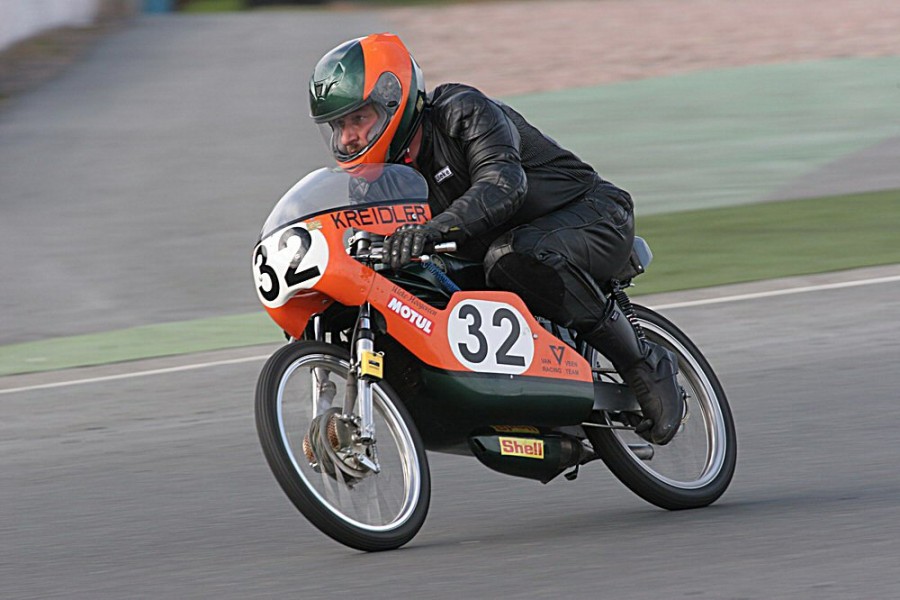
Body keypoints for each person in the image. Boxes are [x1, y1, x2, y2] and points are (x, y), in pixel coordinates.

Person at [308, 33, 683, 445]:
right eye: (339, 126)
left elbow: (503, 183)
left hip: (593, 214)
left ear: (394, 99)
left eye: (358, 119)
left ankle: (644, 364)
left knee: (513, 255)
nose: (347, 138)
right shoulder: (373, 185)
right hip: (497, 255)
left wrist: (431, 230)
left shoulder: (460, 111)